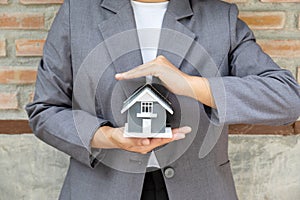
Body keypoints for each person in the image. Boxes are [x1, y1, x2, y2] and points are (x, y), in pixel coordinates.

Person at [26, 0, 300, 199]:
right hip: (101, 187)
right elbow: (45, 110)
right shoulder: (77, 12)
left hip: (199, 189)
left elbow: (288, 98)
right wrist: (107, 136)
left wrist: (192, 85)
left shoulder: (221, 18)